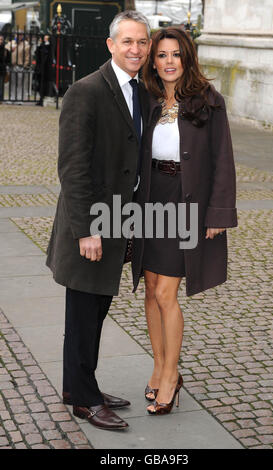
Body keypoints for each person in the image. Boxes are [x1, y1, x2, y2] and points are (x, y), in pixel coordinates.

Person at [46, 11, 151, 430]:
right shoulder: (85, 91)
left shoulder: (140, 92)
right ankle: (85, 401)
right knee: (83, 313)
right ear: (110, 45)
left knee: (97, 310)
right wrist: (87, 230)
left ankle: (80, 385)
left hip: (119, 221)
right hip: (90, 226)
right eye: (127, 41)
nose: (136, 50)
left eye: (142, 42)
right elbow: (72, 168)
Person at [131, 27, 238, 415]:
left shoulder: (209, 101)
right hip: (150, 199)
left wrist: (218, 213)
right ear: (153, 61)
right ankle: (158, 367)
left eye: (176, 54)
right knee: (149, 289)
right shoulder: (148, 99)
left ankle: (172, 375)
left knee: (166, 294)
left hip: (185, 201)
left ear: (187, 57)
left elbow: (223, 160)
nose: (169, 62)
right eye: (161, 55)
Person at [5, 31, 31, 101]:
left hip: (20, 66)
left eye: (21, 35)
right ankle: (12, 97)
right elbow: (5, 50)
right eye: (18, 35)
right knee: (12, 83)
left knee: (20, 83)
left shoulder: (26, 44)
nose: (19, 36)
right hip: (12, 65)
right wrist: (10, 49)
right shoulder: (12, 43)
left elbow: (27, 56)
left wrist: (25, 65)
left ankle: (19, 98)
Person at [34, 34, 54, 106]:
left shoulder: (48, 46)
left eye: (46, 38)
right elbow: (37, 55)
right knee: (40, 84)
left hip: (46, 69)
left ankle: (42, 98)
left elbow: (47, 56)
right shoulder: (41, 46)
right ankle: (41, 98)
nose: (45, 39)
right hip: (40, 69)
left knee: (44, 85)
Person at [0, 34, 10, 102]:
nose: (0, 41)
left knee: (1, 85)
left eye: (1, 39)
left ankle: (0, 98)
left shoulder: (5, 50)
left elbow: (8, 60)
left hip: (1, 69)